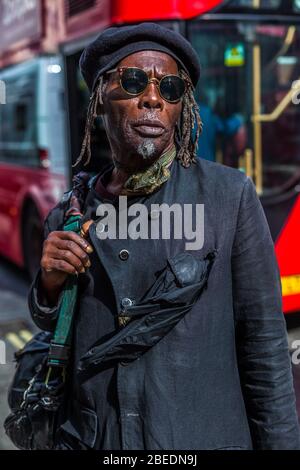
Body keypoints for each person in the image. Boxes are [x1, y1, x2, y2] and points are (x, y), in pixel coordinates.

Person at [28, 22, 300, 450]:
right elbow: (51, 325)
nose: (153, 98)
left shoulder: (230, 198)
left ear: (182, 106)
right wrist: (49, 283)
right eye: (134, 81)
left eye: (170, 89)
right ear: (100, 97)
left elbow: (266, 350)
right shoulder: (69, 213)